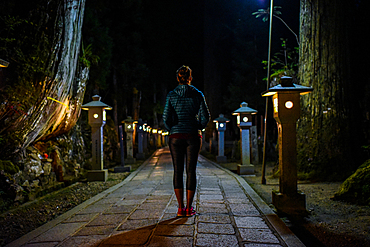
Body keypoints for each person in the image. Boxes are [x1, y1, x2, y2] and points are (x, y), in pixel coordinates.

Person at [163, 65, 210, 217]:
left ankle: (180, 208)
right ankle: (189, 208)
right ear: (190, 77)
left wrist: (173, 128)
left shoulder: (171, 95)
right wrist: (198, 126)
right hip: (192, 136)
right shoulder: (198, 94)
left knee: (178, 170)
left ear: (178, 78)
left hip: (176, 137)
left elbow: (166, 117)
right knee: (191, 171)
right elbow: (206, 116)